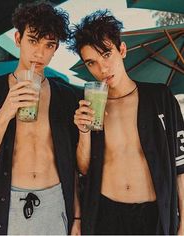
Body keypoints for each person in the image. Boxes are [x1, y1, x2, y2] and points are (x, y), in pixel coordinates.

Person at [0, 2, 80, 235]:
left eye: (49, 45)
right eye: (33, 40)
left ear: (55, 48)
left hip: (55, 201)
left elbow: (73, 165)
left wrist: (76, 217)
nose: (40, 53)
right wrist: (7, 110)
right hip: (8, 203)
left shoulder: (66, 95)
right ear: (18, 39)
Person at [69, 10, 184, 235]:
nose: (102, 68)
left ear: (122, 50)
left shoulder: (160, 98)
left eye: (106, 54)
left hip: (154, 215)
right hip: (106, 215)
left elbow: (182, 167)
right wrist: (83, 132)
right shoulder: (90, 107)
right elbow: (84, 169)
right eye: (91, 62)